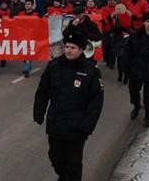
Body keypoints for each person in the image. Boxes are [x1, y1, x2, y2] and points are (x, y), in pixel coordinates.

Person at [33, 32, 104, 181]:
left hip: (77, 128)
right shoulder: (54, 66)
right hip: (56, 124)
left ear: (81, 50)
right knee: (56, 158)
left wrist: (87, 126)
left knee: (73, 164)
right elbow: (43, 91)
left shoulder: (91, 71)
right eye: (67, 47)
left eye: (73, 47)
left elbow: (96, 102)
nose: (68, 50)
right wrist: (39, 112)